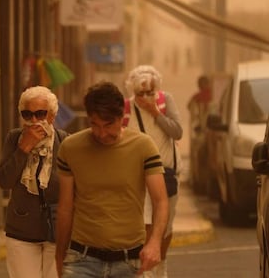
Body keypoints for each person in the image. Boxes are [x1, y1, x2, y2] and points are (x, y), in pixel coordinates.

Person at [55, 81, 169, 278]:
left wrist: (155, 242)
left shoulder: (143, 146)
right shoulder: (70, 148)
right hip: (81, 260)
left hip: (129, 262)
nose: (101, 134)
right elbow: (65, 207)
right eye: (94, 125)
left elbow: (160, 200)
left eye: (108, 125)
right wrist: (59, 255)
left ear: (120, 118)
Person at [0, 86, 69, 278]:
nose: (34, 121)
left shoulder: (65, 142)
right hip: (21, 230)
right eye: (28, 114)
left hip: (56, 231)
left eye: (40, 114)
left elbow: (69, 188)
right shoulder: (14, 138)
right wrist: (24, 148)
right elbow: (4, 180)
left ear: (52, 116)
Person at [124, 65, 183, 278]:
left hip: (166, 173)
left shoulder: (166, 101)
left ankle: (161, 263)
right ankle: (145, 270)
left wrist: (155, 112)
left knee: (165, 226)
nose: (146, 97)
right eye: (142, 93)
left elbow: (177, 132)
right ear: (134, 91)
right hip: (139, 176)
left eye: (151, 92)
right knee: (146, 223)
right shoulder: (127, 108)